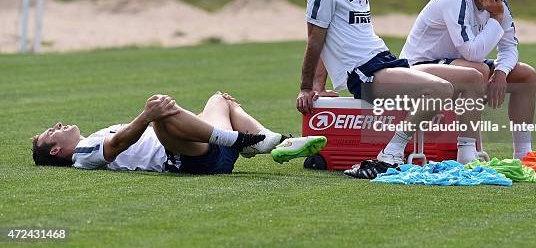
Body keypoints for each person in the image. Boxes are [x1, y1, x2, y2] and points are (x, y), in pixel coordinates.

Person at [296, 0, 485, 177]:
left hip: (386, 62)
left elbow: (335, 38)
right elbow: (316, 40)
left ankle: (466, 155)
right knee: (441, 89)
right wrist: (307, 87)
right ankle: (391, 152)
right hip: (364, 75)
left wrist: (319, 84)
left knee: (472, 78)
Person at [399, 0, 536, 160]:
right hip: (418, 68)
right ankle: (466, 153)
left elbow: (509, 48)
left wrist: (500, 73)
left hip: (461, 67)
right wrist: (496, 17)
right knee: (478, 70)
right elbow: (472, 52)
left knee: (526, 75)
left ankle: (524, 155)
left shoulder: (499, 2)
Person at [32, 92, 327, 174]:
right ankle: (247, 142)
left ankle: (270, 142)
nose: (57, 125)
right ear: (56, 150)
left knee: (219, 100)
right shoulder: (82, 155)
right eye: (51, 133)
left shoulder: (89, 138)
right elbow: (120, 142)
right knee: (160, 117)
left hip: (203, 149)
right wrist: (148, 115)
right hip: (189, 160)